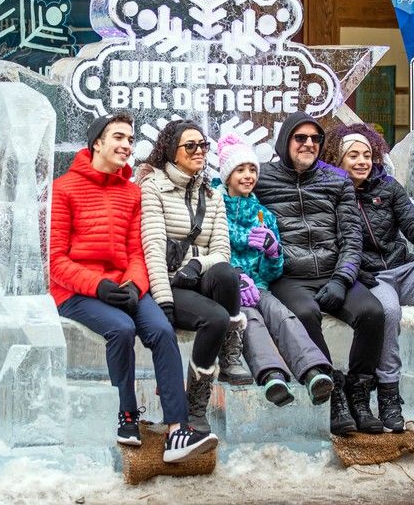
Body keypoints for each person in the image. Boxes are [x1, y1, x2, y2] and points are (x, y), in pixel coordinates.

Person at [49, 113, 217, 463]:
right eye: (118, 138)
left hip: (124, 285)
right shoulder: (64, 188)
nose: (127, 145)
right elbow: (55, 261)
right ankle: (128, 413)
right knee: (122, 329)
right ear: (97, 142)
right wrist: (99, 286)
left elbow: (136, 252)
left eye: (130, 139)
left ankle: (177, 430)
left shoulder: (131, 193)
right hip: (75, 292)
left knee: (160, 329)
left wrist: (134, 284)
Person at [323, 123, 414, 434]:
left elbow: (413, 226)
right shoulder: (331, 191)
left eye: (367, 155)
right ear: (338, 160)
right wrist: (352, 270)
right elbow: (329, 242)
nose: (362, 161)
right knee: (389, 311)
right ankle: (389, 395)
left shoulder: (388, 187)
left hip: (403, 269)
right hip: (371, 279)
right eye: (353, 156)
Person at [253, 112, 386, 436]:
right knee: (305, 313)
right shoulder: (262, 178)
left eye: (315, 138)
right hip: (289, 276)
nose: (309, 144)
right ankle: (333, 392)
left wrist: (341, 280)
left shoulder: (336, 180)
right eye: (301, 138)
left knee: (373, 313)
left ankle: (358, 391)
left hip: (332, 272)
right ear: (286, 141)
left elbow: (352, 238)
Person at [137, 119, 248, 434]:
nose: (199, 151)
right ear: (172, 150)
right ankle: (196, 407)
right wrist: (163, 301)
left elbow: (222, 252)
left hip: (199, 277)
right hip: (169, 281)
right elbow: (153, 248)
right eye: (191, 146)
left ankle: (230, 355)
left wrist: (197, 265)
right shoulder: (153, 186)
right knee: (214, 317)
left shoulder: (211, 193)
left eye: (203, 145)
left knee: (227, 274)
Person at [212, 133, 335, 408]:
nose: (248, 176)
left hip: (260, 287)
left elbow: (271, 273)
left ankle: (314, 371)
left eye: (252, 169)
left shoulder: (264, 214)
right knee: (250, 320)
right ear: (227, 174)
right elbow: (213, 249)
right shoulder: (214, 206)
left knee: (282, 314)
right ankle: (272, 375)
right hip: (229, 290)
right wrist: (236, 275)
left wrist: (273, 252)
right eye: (240, 170)